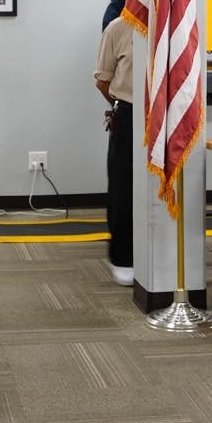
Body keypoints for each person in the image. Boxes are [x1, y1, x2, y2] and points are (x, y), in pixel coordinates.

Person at [94, 16, 134, 286]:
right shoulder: (118, 28)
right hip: (129, 114)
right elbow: (103, 81)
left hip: (167, 116)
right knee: (123, 189)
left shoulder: (175, 25)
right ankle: (123, 257)